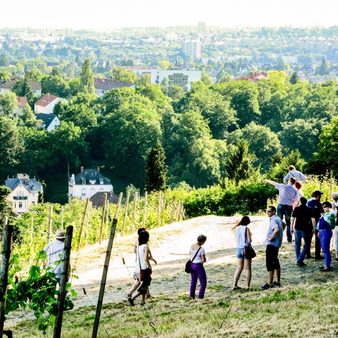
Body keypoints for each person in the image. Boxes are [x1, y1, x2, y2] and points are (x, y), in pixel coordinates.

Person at [128, 230, 156, 306]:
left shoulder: (138, 247)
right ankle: (133, 297)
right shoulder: (146, 246)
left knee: (144, 284)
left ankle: (143, 301)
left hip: (137, 268)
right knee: (145, 285)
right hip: (144, 269)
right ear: (147, 238)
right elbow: (145, 258)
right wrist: (150, 266)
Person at [261, 206, 283, 290]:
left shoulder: (273, 220)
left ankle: (270, 283)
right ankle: (277, 281)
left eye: (269, 211)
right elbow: (283, 225)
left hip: (271, 244)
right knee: (275, 262)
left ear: (274, 211)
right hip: (277, 244)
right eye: (267, 211)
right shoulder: (278, 218)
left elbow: (276, 229)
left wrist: (271, 238)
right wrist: (279, 237)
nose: (268, 213)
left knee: (269, 263)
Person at [291, 197, 314, 267]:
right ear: (306, 202)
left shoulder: (297, 208)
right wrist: (313, 227)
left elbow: (293, 218)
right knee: (307, 245)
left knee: (297, 245)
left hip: (297, 228)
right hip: (306, 228)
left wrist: (291, 227)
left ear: (300, 201)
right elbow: (313, 219)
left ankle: (298, 259)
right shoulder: (309, 209)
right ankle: (300, 260)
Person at [232, 216, 252, 290]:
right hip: (245, 249)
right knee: (248, 268)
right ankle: (247, 286)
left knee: (239, 267)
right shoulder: (246, 228)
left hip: (238, 249)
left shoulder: (237, 228)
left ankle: (235, 284)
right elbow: (249, 240)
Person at [317, 201, 336, 272]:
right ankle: (326, 264)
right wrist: (318, 231)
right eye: (323, 206)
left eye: (325, 206)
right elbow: (319, 224)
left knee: (326, 248)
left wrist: (331, 209)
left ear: (329, 207)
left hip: (326, 231)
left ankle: (328, 265)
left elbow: (333, 222)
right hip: (321, 232)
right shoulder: (323, 215)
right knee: (324, 249)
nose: (323, 208)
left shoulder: (331, 214)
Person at [189, 234, 207, 299]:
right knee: (203, 282)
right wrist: (205, 260)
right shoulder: (201, 249)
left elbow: (190, 254)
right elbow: (203, 260)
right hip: (198, 266)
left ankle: (191, 295)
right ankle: (200, 296)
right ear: (202, 241)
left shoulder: (192, 246)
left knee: (193, 281)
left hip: (192, 265)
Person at [307, 190, 324, 259]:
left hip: (309, 222)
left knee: (308, 239)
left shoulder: (309, 203)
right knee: (318, 239)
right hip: (317, 223)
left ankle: (307, 254)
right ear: (318, 196)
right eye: (320, 195)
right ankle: (317, 255)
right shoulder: (318, 203)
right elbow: (322, 213)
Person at [332, 193, 338, 262]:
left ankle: (337, 255)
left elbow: (334, 216)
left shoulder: (334, 205)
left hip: (336, 224)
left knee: (336, 241)